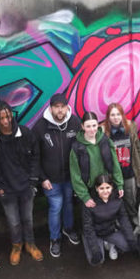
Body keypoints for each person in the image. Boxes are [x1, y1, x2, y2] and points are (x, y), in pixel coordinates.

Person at [0, 102, 43, 266]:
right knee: (14, 222)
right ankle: (16, 247)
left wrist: (32, 181)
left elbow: (35, 157)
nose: (5, 121)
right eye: (1, 118)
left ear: (12, 115)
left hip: (25, 187)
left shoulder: (24, 133)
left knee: (28, 219)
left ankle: (30, 244)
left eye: (8, 116)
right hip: (5, 190)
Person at [32, 94, 82, 258]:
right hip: (50, 179)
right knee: (56, 207)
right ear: (51, 107)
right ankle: (55, 238)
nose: (60, 110)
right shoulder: (40, 127)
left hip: (70, 177)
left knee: (68, 203)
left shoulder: (74, 122)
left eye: (63, 106)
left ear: (67, 107)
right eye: (56, 106)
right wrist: (42, 178)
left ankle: (68, 229)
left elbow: (81, 148)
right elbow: (34, 156)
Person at [70, 112, 125, 210]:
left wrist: (119, 184)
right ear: (82, 126)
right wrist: (85, 196)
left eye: (94, 125)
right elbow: (75, 175)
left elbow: (115, 164)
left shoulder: (106, 141)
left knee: (111, 214)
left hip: (107, 187)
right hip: (90, 189)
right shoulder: (77, 148)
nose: (92, 129)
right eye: (88, 126)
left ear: (98, 125)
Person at [102, 103, 140, 220]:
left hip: (129, 172)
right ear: (108, 117)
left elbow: (137, 146)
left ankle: (132, 219)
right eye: (112, 115)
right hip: (112, 174)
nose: (116, 117)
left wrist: (138, 162)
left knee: (131, 199)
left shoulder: (130, 126)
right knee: (114, 200)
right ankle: (117, 222)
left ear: (122, 115)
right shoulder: (103, 132)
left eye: (118, 114)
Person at [81, 175, 137, 266]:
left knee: (128, 246)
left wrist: (131, 238)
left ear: (112, 187)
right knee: (96, 260)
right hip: (95, 233)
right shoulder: (89, 202)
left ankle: (111, 243)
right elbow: (88, 227)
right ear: (96, 188)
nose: (105, 191)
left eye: (108, 187)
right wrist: (95, 249)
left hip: (110, 231)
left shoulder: (117, 199)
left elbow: (124, 219)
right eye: (101, 188)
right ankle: (100, 245)